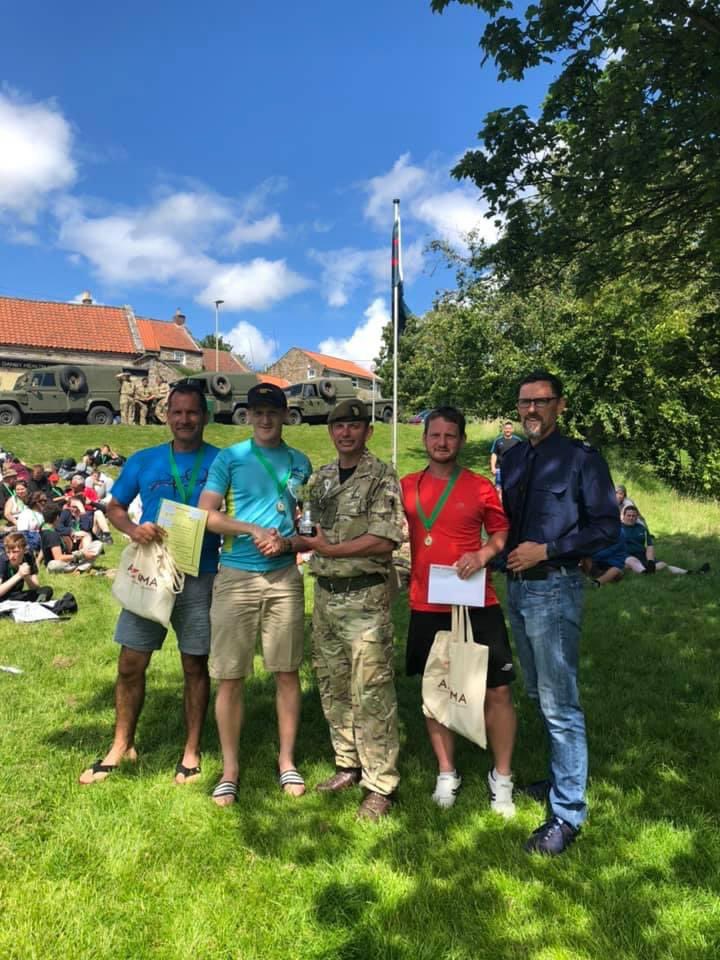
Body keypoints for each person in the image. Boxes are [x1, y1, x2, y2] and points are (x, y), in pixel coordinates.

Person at [79, 382, 221, 786]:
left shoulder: (221, 461)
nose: (184, 420)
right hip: (153, 572)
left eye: (192, 412)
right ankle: (121, 744)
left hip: (201, 573)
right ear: (166, 415)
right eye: (177, 412)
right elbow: (115, 507)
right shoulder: (144, 460)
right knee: (130, 663)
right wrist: (132, 529)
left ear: (205, 417)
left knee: (194, 664)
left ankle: (191, 750)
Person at [501, 370, 619, 855]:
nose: (531, 410)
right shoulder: (511, 459)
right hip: (516, 590)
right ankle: (557, 781)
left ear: (560, 406)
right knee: (536, 691)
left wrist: (547, 550)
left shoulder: (581, 459)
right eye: (525, 402)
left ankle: (567, 813)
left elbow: (606, 527)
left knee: (560, 704)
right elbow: (505, 526)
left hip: (555, 589)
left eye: (541, 402)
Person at [281, 398, 404, 820]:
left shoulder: (382, 478)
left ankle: (381, 784)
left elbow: (384, 539)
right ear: (331, 433)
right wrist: (284, 540)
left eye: (354, 426)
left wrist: (330, 548)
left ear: (367, 431)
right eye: (338, 426)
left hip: (365, 596)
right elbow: (309, 532)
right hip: (327, 596)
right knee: (333, 687)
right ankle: (348, 763)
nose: (346, 433)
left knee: (371, 691)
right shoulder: (322, 479)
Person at [198, 383, 312, 806]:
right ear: (247, 416)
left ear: (285, 415)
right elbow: (207, 515)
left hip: (284, 577)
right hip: (236, 577)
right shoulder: (230, 458)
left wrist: (287, 543)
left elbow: (307, 526)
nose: (265, 419)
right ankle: (230, 769)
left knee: (286, 671)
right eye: (257, 412)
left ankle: (287, 760)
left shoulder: (302, 463)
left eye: (273, 412)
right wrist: (252, 530)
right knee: (230, 676)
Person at [402, 406, 517, 814]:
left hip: (476, 600)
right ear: (425, 439)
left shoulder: (480, 486)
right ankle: (447, 772)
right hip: (426, 602)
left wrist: (484, 553)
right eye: (435, 435)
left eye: (451, 436)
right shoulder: (406, 486)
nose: (442, 442)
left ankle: (501, 778)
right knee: (435, 691)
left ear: (462, 441)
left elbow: (501, 531)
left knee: (498, 690)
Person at [620, 504, 709, 575]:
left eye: (633, 516)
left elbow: (649, 546)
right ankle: (645, 573)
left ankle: (692, 573)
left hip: (642, 556)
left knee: (663, 565)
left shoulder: (642, 528)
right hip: (626, 556)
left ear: (637, 517)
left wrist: (650, 561)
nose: (631, 518)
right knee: (631, 562)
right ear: (624, 516)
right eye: (629, 515)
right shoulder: (618, 528)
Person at [40, 503, 104, 573]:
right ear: (57, 517)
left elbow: (43, 549)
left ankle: (79, 567)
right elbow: (58, 558)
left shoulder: (44, 529)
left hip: (65, 561)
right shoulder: (52, 534)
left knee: (97, 544)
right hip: (57, 564)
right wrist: (81, 555)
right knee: (54, 565)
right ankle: (80, 568)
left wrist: (37, 562)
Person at [0, 532, 53, 602]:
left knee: (47, 590)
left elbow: (35, 588)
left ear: (24, 550)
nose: (11, 556)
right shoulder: (3, 560)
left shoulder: (28, 557)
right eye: (8, 552)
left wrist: (27, 577)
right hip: (3, 597)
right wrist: (19, 575)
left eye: (15, 552)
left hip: (15, 596)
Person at [489, 420, 523, 492]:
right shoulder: (498, 440)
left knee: (512, 489)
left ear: (512, 430)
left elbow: (522, 455)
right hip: (500, 469)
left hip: (513, 469)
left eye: (509, 428)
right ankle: (501, 502)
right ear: (503, 429)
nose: (508, 430)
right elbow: (494, 454)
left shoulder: (518, 441)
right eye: (506, 428)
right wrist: (492, 467)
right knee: (499, 489)